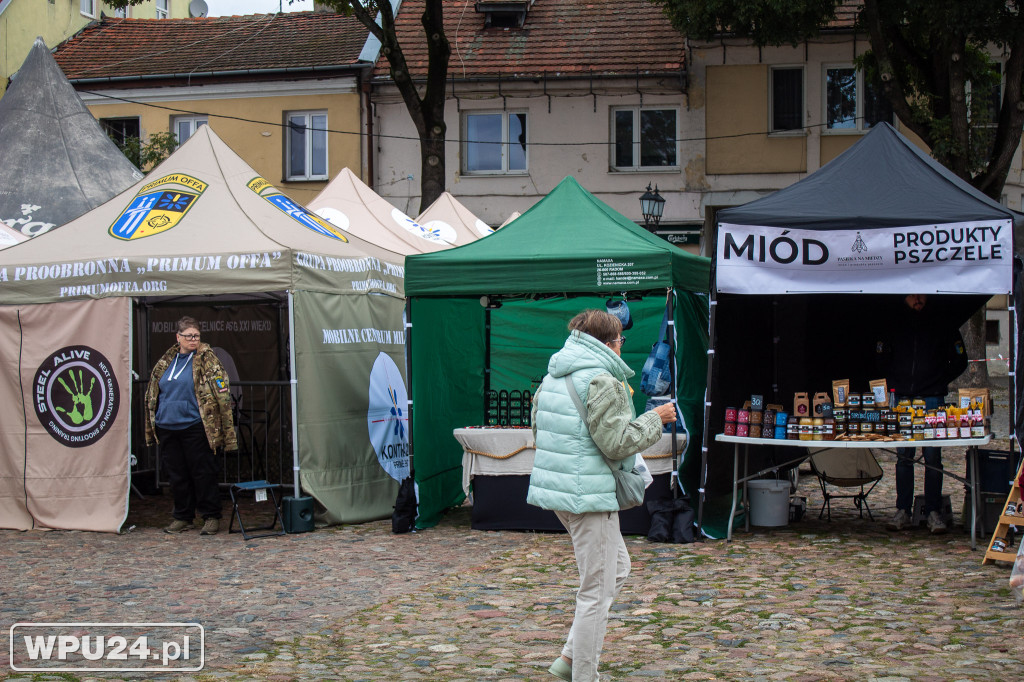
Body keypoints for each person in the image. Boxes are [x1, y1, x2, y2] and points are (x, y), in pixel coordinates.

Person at [527, 309, 677, 682]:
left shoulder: (552, 376)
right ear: (612, 343)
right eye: (621, 341)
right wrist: (655, 417)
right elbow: (617, 443)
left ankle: (567, 659)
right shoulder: (602, 380)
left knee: (618, 570)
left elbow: (538, 430)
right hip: (588, 496)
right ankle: (584, 676)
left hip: (566, 493)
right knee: (595, 592)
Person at [879, 294, 969, 534]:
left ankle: (933, 512)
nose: (918, 299)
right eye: (912, 295)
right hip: (903, 399)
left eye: (921, 295)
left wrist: (939, 381)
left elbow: (961, 360)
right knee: (904, 458)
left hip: (932, 398)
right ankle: (903, 511)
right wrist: (893, 382)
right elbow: (881, 357)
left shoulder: (942, 321)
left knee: (932, 457)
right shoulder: (894, 322)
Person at [145, 316, 237, 535]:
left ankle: (211, 516)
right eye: (188, 336)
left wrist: (225, 427)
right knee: (177, 474)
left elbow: (222, 392)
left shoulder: (208, 360)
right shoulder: (167, 361)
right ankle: (182, 516)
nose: (193, 340)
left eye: (196, 336)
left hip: (196, 425)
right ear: (178, 337)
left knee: (203, 472)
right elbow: (153, 390)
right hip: (168, 425)